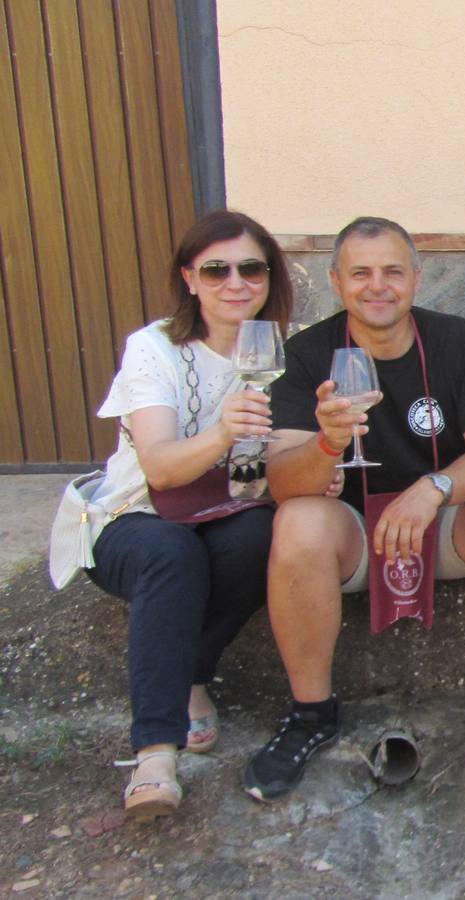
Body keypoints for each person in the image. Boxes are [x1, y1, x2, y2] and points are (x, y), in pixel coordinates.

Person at [245, 216, 465, 801]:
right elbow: (282, 482)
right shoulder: (305, 354)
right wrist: (326, 444)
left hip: (444, 525)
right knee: (297, 520)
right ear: (336, 282)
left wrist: (433, 489)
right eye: (361, 273)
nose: (378, 286)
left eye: (393, 272)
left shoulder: (456, 340)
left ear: (417, 279)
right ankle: (310, 714)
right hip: (353, 535)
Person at [81, 209, 291, 817]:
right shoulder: (154, 348)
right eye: (216, 269)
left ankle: (193, 673)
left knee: (264, 535)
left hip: (226, 510)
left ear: (270, 277)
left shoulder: (280, 351)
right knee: (173, 554)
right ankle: (155, 752)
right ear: (190, 278)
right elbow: (161, 468)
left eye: (252, 268)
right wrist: (224, 431)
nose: (236, 282)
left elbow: (282, 456)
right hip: (134, 517)